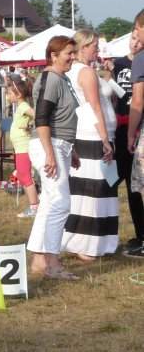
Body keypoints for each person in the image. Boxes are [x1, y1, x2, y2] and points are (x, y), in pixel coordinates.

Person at [27, 36, 80, 279]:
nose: (73, 57)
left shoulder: (62, 78)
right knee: (60, 203)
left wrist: (71, 149)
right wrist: (50, 152)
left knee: (49, 203)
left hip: (60, 145)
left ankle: (40, 260)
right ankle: (52, 262)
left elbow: (63, 117)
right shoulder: (50, 79)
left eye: (73, 52)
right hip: (50, 145)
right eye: (69, 53)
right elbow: (42, 118)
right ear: (53, 55)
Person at [62, 30, 117, 260]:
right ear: (83, 47)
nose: (97, 49)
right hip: (93, 135)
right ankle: (86, 242)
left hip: (90, 133)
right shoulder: (85, 72)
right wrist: (104, 139)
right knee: (93, 190)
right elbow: (94, 107)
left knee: (94, 189)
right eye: (94, 46)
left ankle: (93, 239)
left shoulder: (80, 70)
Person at [113, 31, 144, 256]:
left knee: (137, 186)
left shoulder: (141, 62)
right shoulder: (119, 64)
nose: (136, 42)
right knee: (122, 182)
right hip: (121, 128)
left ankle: (141, 233)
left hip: (136, 127)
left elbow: (138, 101)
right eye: (133, 38)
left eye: (139, 39)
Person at [7, 76, 39, 218]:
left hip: (23, 148)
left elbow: (37, 115)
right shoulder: (21, 106)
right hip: (20, 148)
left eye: (10, 93)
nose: (8, 96)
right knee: (22, 175)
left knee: (25, 176)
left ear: (18, 94)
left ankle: (34, 207)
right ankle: (35, 204)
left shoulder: (23, 106)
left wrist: (29, 125)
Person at [128, 10, 144, 226]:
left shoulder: (140, 59)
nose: (137, 35)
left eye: (137, 30)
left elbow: (138, 101)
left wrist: (131, 134)